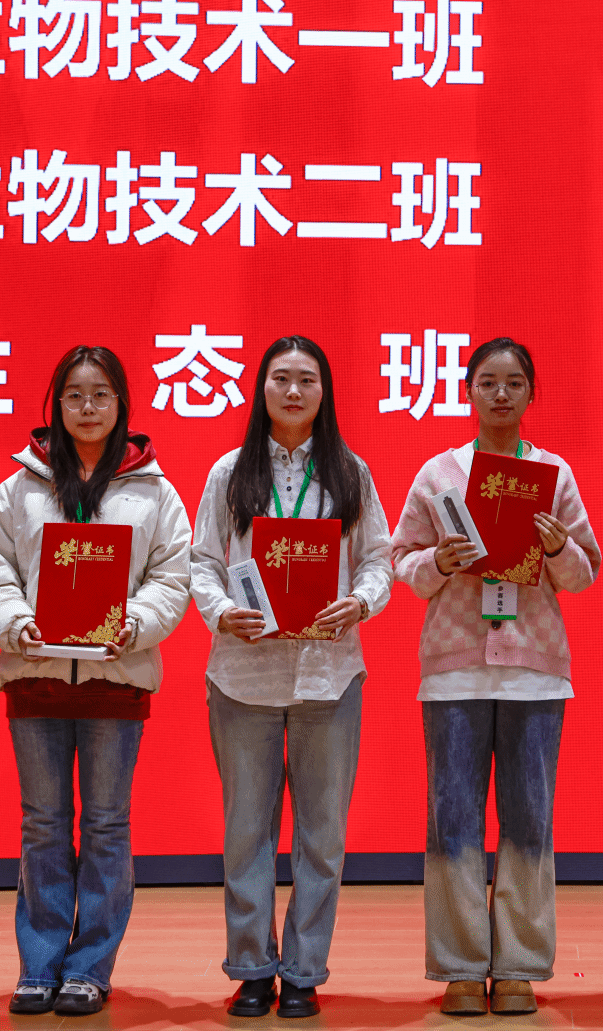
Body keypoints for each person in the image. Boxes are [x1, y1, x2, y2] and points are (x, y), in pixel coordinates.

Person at [0, 346, 193, 1016]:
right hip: (36, 677)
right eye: (74, 395)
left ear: (121, 403)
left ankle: (90, 967)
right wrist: (16, 624)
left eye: (100, 395)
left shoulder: (154, 490)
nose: (87, 407)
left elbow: (172, 577)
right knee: (42, 825)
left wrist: (134, 625)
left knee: (106, 827)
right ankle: (39, 965)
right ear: (56, 405)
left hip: (114, 680)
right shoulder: (18, 489)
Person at [390, 338, 601, 1017]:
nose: (501, 394)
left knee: (529, 821)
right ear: (469, 392)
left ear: (532, 392)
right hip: (455, 671)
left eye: (514, 382)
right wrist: (439, 562)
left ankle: (518, 967)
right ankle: (459, 966)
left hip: (535, 673)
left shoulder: (553, 473)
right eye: (488, 382)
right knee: (453, 820)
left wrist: (557, 548)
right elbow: (401, 559)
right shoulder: (439, 474)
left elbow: (586, 571)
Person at [188, 337, 394, 1019]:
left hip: (328, 675)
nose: (295, 391)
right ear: (262, 389)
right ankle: (252, 968)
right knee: (246, 831)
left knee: (322, 835)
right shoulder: (230, 471)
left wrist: (359, 602)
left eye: (308, 379)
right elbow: (201, 562)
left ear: (324, 391)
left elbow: (379, 559)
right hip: (243, 674)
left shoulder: (350, 472)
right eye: (281, 378)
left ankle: (304, 970)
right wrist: (221, 612)